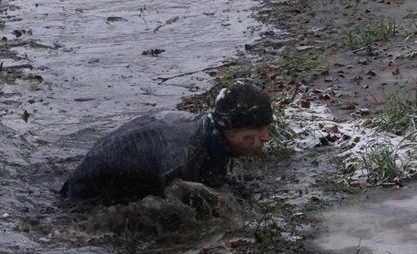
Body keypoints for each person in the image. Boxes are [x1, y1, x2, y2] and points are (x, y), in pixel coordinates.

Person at [60, 79, 273, 203]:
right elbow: (170, 209)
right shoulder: (184, 159)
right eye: (257, 130)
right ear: (231, 130)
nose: (265, 137)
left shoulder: (209, 130)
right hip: (83, 197)